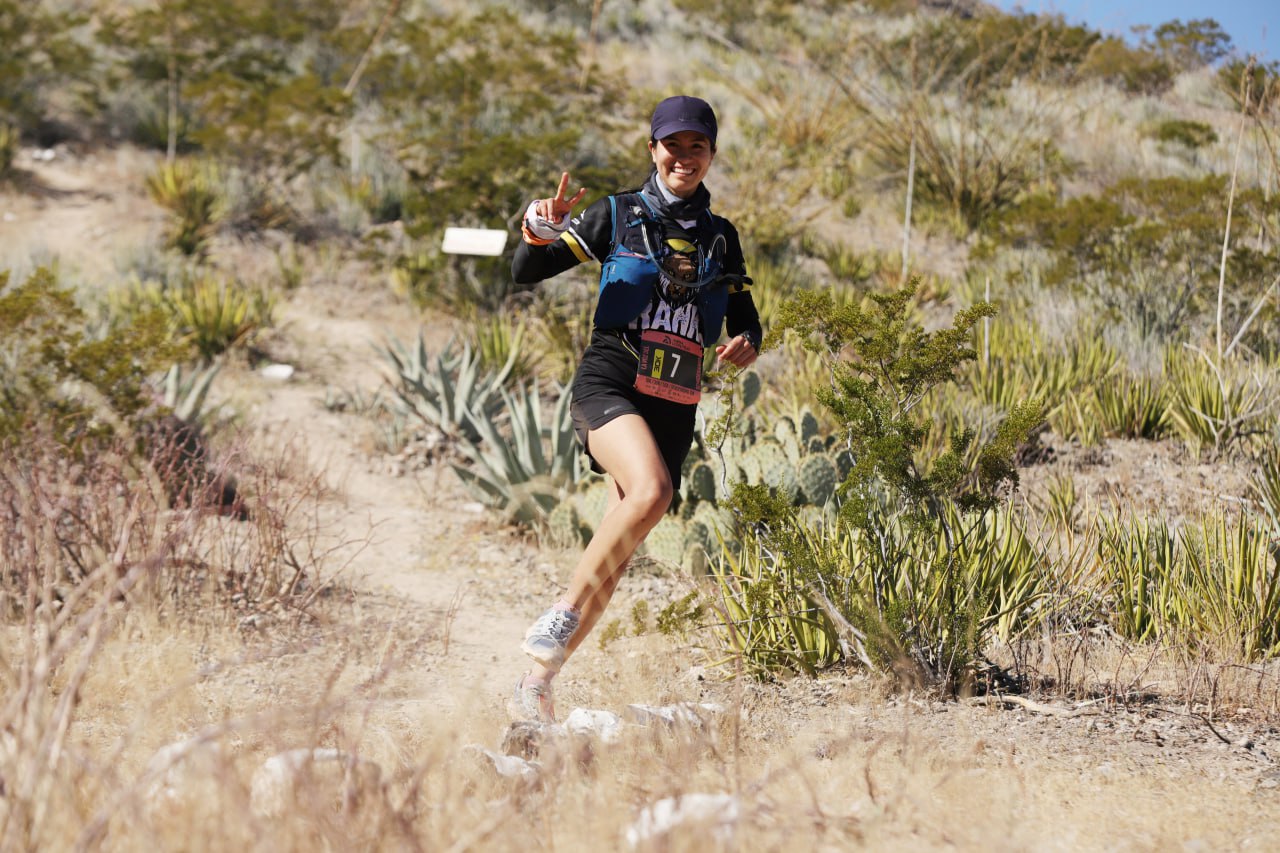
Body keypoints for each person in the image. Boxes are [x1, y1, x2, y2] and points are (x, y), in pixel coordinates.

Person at [508, 95, 762, 722]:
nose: (684, 157)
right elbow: (526, 271)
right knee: (652, 491)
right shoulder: (617, 214)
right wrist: (539, 228)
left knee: (616, 559)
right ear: (653, 148)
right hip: (613, 378)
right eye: (673, 145)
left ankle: (536, 684)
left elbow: (745, 316)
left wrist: (747, 342)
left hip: (675, 399)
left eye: (697, 146)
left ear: (711, 154)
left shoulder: (721, 237)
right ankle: (562, 613)